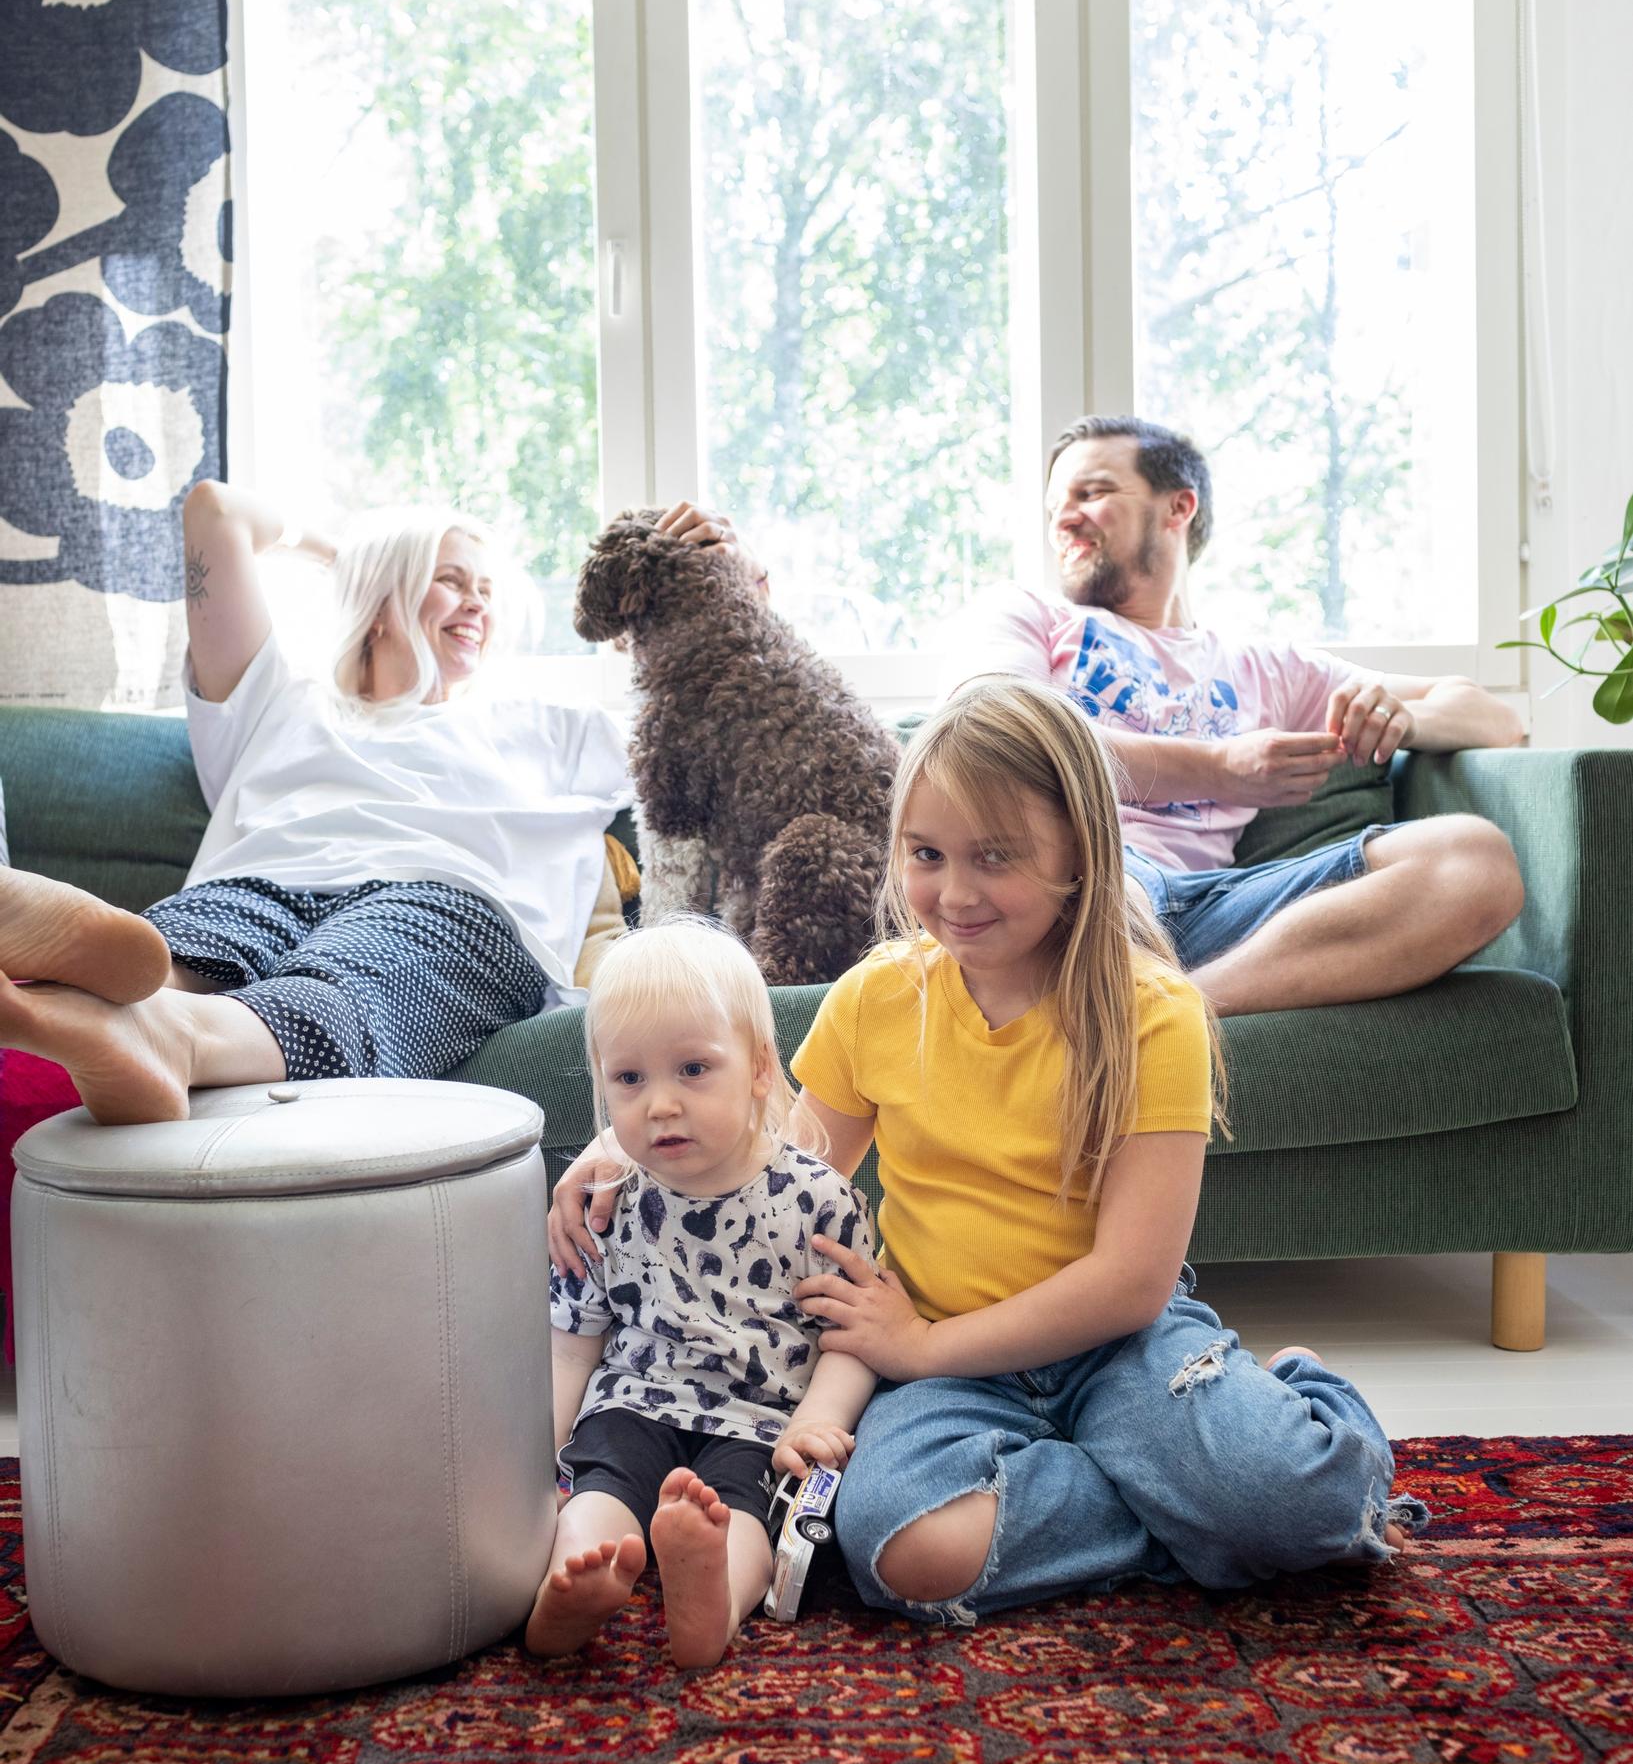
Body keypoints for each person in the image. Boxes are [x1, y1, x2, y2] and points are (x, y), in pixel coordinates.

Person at [553, 677, 1423, 1625]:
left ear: (1078, 854)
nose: (954, 893)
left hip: (1114, 1345)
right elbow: (776, 1162)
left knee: (1300, 1508)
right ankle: (1177, 1495)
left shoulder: (1154, 1013)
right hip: (941, 1367)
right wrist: (618, 1146)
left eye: (994, 857)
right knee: (897, 1549)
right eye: (927, 855)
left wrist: (920, 1346)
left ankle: (1293, 1407)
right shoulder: (878, 996)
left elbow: (1131, 1280)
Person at [652, 430, 1526, 1015]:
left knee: (1472, 863)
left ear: (1176, 506)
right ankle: (1124, 996)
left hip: (1208, 910)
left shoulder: (1267, 665)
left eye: (1093, 491)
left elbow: (1490, 716)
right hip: (1074, 883)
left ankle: (1179, 1014)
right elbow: (1002, 730)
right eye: (1054, 504)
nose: (1064, 515)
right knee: (1061, 870)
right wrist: (1220, 771)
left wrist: (1395, 711)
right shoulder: (1030, 616)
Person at [0, 480, 631, 1122]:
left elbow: (707, 734)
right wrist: (344, 556)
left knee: (352, 984)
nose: (477, 604)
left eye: (487, 591)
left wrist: (736, 577)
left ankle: (172, 1036)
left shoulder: (547, 725)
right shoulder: (281, 698)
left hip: (441, 898)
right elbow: (215, 510)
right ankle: (88, 985)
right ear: (383, 599)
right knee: (185, 942)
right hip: (265, 880)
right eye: (451, 580)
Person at [531, 916, 876, 1669]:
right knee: (601, 1478)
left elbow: (853, 1333)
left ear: (757, 1068)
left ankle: (713, 1598)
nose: (658, 1104)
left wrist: (815, 1420)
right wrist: (533, 1453)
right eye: (629, 1079)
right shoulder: (607, 1198)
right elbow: (571, 1345)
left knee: (748, 1509)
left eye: (692, 1070)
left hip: (759, 1418)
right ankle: (577, 1577)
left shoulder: (818, 1200)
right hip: (636, 1400)